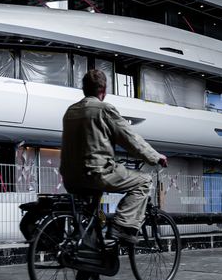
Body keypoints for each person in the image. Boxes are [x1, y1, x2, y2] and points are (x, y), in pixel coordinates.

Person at [60, 69, 167, 244]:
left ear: (84, 89)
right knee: (144, 181)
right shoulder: (103, 109)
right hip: (97, 173)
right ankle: (122, 226)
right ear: (103, 91)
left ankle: (89, 263)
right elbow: (130, 138)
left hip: (71, 178)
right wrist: (155, 157)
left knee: (91, 217)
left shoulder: (70, 111)